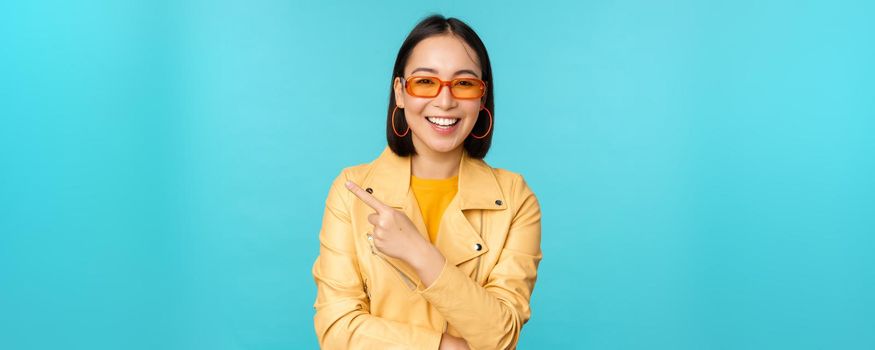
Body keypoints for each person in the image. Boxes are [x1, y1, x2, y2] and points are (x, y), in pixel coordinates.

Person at [312, 14, 542, 349]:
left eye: (463, 83)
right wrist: (446, 346)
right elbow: (336, 330)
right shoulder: (352, 191)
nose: (445, 101)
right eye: (425, 82)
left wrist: (420, 254)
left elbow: (501, 336)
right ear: (400, 93)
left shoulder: (514, 199)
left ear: (482, 97)